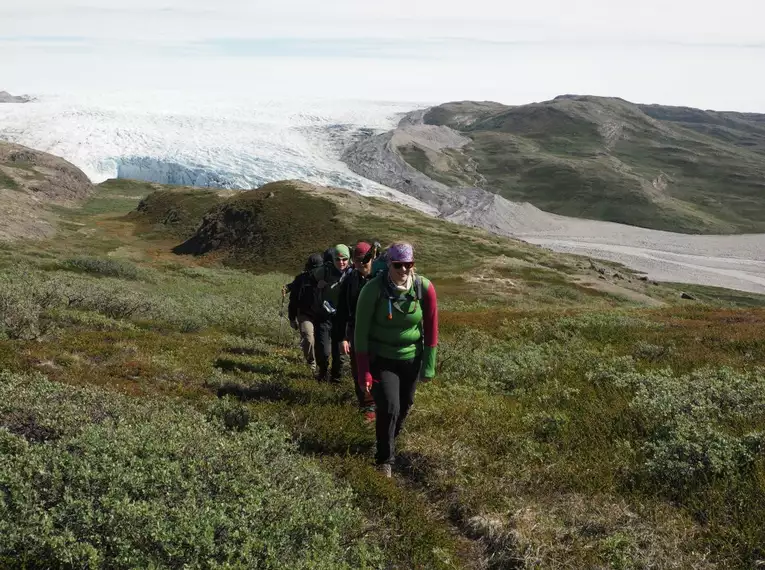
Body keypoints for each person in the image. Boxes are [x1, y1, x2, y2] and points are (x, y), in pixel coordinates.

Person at [353, 242, 438, 477]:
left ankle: (387, 439)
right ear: (389, 264)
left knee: (405, 405)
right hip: (382, 358)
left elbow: (432, 329)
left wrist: (429, 365)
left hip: (412, 358)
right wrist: (364, 372)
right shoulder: (372, 290)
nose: (403, 270)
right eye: (398, 265)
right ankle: (384, 461)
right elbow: (360, 334)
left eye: (408, 265)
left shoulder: (424, 288)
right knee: (389, 406)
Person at [333, 241, 377, 420]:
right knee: (358, 368)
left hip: (378, 331)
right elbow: (342, 310)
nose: (360, 265)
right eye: (357, 261)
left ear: (372, 258)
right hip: (355, 331)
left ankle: (379, 402)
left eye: (364, 261)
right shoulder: (350, 279)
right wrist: (342, 337)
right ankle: (367, 405)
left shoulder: (382, 277)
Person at [311, 244, 351, 383]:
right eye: (338, 259)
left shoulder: (352, 273)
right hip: (324, 316)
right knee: (324, 350)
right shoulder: (324, 271)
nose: (341, 262)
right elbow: (310, 279)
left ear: (349, 259)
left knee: (339, 352)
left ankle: (336, 379)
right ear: (333, 259)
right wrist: (318, 285)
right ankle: (322, 372)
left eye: (345, 259)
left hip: (342, 319)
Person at [287, 253, 324, 373]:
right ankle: (311, 364)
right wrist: (292, 318)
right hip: (304, 315)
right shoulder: (301, 279)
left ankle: (323, 365)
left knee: (322, 342)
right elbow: (293, 300)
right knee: (308, 338)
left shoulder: (325, 279)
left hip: (321, 316)